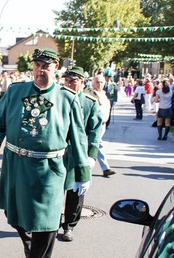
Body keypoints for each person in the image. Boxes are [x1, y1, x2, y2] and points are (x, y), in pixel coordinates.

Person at [0, 48, 91, 258]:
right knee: (13, 214)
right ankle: (29, 243)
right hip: (16, 166)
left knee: (47, 221)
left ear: (56, 68)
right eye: (37, 65)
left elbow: (78, 137)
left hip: (49, 171)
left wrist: (82, 171)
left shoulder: (67, 98)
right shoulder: (16, 91)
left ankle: (38, 253)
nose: (40, 70)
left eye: (45, 66)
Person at [61, 66, 103, 242]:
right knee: (53, 190)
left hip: (78, 153)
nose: (70, 84)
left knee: (75, 191)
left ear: (82, 82)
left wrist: (91, 155)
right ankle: (51, 223)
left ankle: (69, 226)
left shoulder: (89, 102)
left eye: (74, 81)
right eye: (67, 81)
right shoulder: (58, 99)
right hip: (58, 153)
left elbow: (95, 131)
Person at [87, 74, 116, 177]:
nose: (99, 84)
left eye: (101, 82)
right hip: (93, 125)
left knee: (97, 144)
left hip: (102, 124)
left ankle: (104, 168)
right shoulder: (89, 93)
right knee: (96, 144)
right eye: (97, 82)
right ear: (92, 83)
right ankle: (103, 168)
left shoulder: (103, 94)